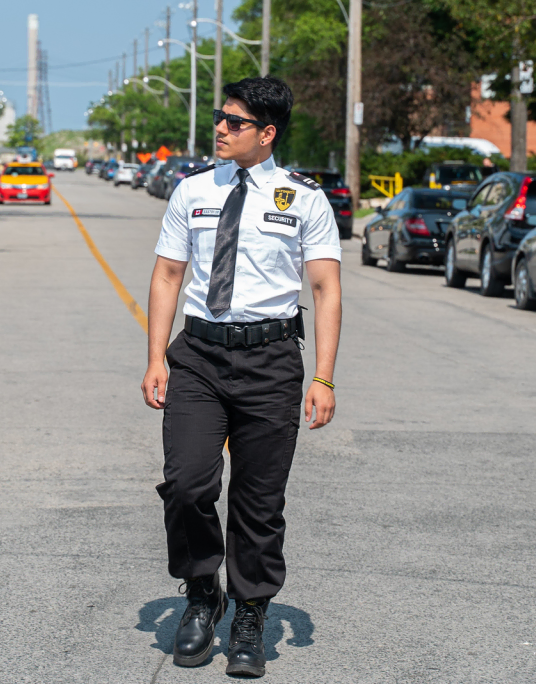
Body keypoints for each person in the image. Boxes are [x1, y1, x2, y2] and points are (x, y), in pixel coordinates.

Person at [141, 76, 342, 678]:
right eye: (220, 118)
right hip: (198, 356)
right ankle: (203, 592)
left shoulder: (303, 197)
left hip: (272, 360)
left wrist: (324, 377)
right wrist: (156, 357)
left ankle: (251, 609)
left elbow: (326, 289)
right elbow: (167, 276)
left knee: (259, 500)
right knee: (187, 483)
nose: (221, 129)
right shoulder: (192, 191)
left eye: (234, 121)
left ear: (268, 133)